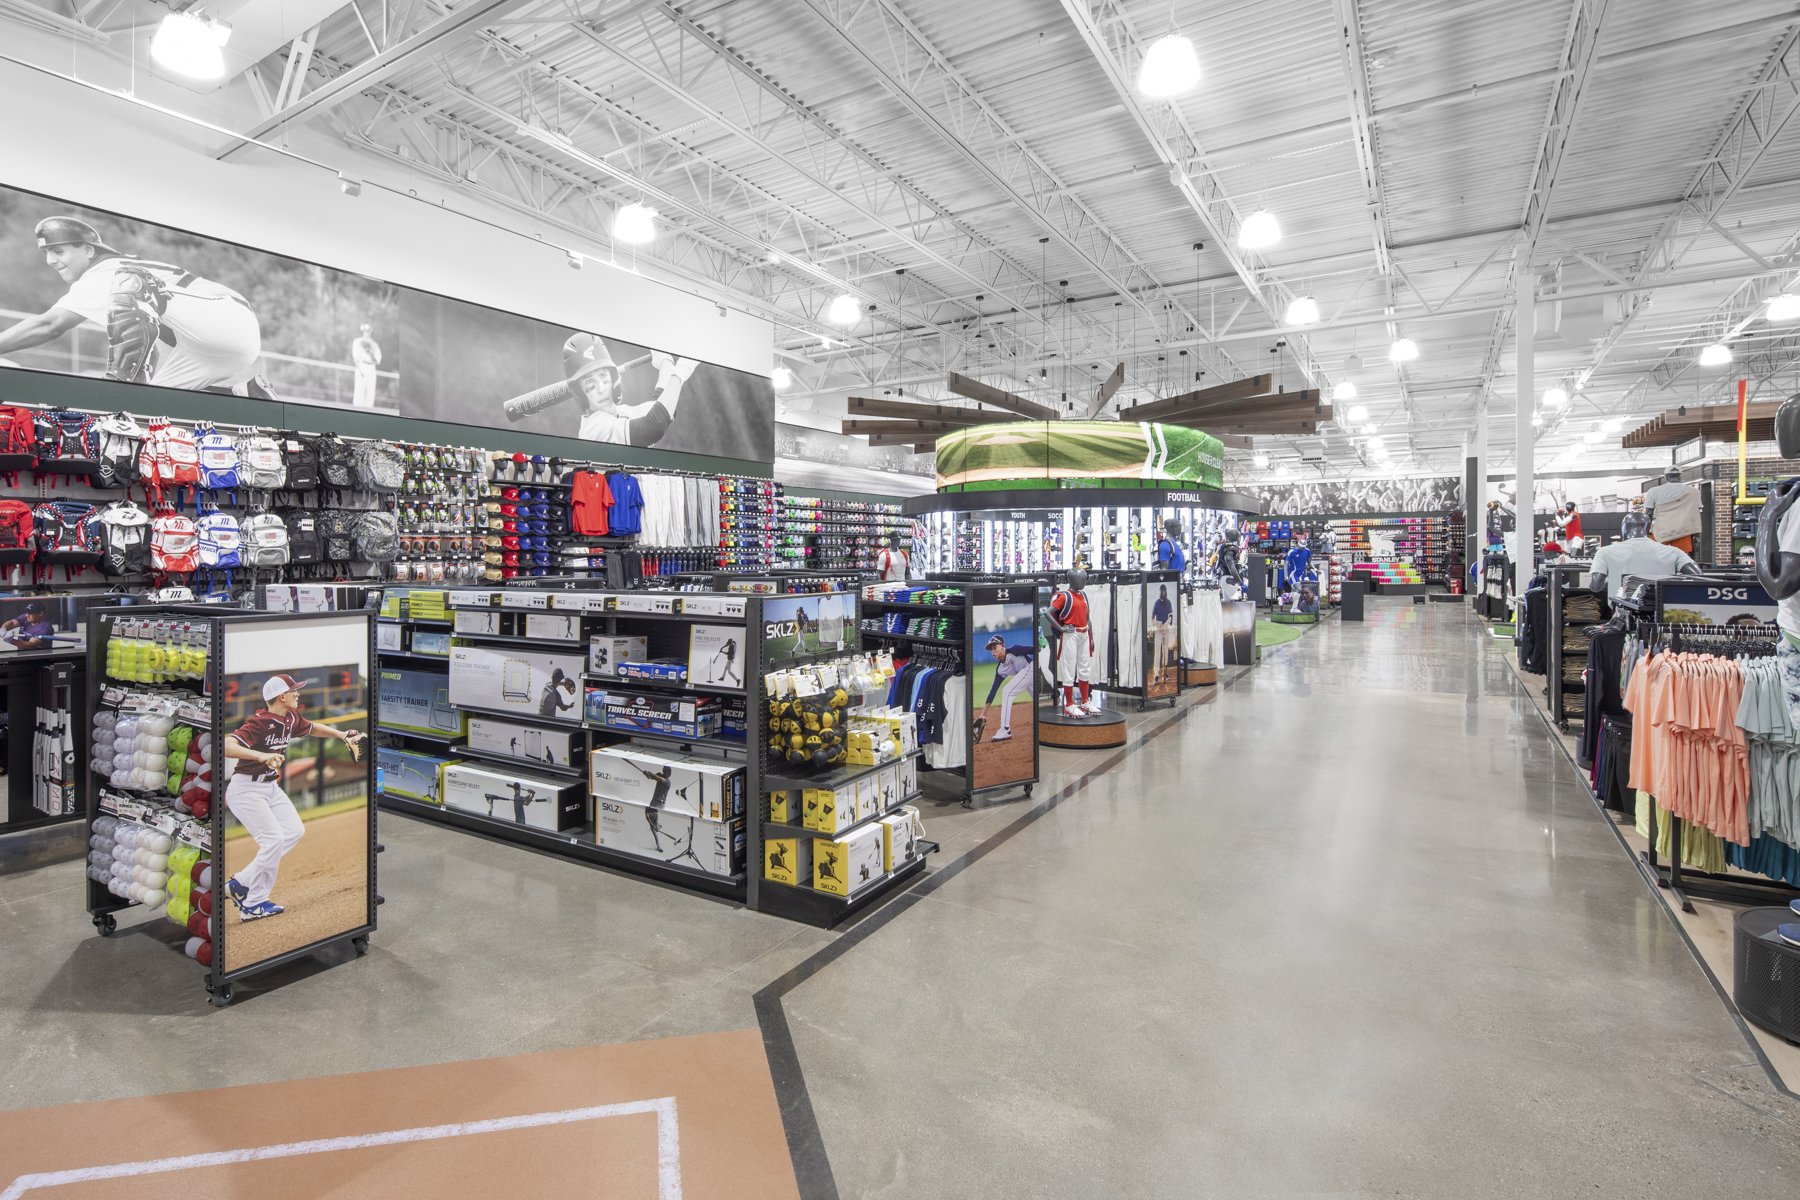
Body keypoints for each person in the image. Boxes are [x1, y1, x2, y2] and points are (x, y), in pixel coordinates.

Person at [0, 216, 272, 396]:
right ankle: (245, 393)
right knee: (151, 405)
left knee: (131, 285)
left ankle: (121, 385)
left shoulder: (108, 270)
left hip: (225, 315)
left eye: (58, 251)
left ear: (89, 250)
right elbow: (147, 344)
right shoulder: (112, 283)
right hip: (216, 351)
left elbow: (50, 325)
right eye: (47, 253)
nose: (50, 260)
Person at [222, 674, 365, 921]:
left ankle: (244, 888)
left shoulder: (290, 718)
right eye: (294, 691)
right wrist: (260, 756)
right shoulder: (260, 722)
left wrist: (342, 735)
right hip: (246, 790)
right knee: (273, 839)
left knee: (294, 831)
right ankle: (251, 899)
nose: (298, 694)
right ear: (282, 696)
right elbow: (226, 744)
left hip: (270, 788)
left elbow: (313, 728)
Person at [565, 333, 698, 446]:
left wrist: (665, 361)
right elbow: (653, 426)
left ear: (613, 379)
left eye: (603, 376)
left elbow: (662, 405)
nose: (601, 388)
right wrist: (682, 371)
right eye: (589, 382)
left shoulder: (622, 412)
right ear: (580, 393)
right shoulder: (594, 428)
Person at [1586, 510, 1699, 601]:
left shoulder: (1605, 552)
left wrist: (1612, 580)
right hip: (1662, 611)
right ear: (1648, 529)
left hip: (1622, 611)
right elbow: (1699, 577)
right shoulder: (1674, 552)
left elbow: (1595, 587)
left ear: (1623, 529)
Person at [1048, 569, 1097, 718]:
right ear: (1072, 580)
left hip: (1084, 634)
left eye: (1084, 578)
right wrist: (1061, 628)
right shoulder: (1065, 596)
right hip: (1071, 634)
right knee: (1069, 670)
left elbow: (1087, 618)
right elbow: (1048, 613)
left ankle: (1085, 701)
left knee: (1084, 668)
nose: (1083, 582)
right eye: (1081, 579)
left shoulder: (1084, 595)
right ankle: (1069, 704)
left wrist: (1091, 637)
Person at [978, 634, 1034, 742]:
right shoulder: (1000, 669)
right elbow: (993, 691)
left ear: (1003, 646)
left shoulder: (1014, 650)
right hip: (1026, 677)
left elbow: (1035, 649)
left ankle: (1005, 730)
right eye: (991, 650)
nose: (993, 652)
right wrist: (983, 714)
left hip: (1031, 668)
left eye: (995, 648)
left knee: (1007, 691)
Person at [1644, 468, 1702, 553]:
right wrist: (1697, 536)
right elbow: (1696, 515)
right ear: (1680, 475)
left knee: (1658, 560)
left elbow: (1648, 515)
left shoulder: (1653, 491)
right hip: (1683, 533)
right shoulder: (1693, 492)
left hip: (1660, 533)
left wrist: (1644, 535)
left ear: (1666, 477)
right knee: (1681, 561)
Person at [350, 322, 382, 408]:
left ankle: (368, 410)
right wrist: (360, 370)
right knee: (359, 390)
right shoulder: (357, 341)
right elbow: (355, 357)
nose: (366, 333)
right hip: (361, 365)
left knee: (370, 391)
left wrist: (371, 352)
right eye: (365, 331)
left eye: (368, 331)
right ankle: (357, 409)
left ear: (371, 332)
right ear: (362, 332)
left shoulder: (375, 344)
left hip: (371, 367)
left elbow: (378, 361)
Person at [1151, 584, 1175, 684]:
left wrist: (1166, 623)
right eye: (1162, 592)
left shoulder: (1168, 602)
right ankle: (1156, 674)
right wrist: (1158, 624)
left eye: (1164, 592)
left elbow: (1171, 616)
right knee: (1157, 652)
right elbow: (1152, 618)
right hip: (1158, 630)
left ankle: (1165, 671)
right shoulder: (1156, 603)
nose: (1163, 593)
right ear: (1160, 592)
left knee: (1165, 650)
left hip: (1166, 629)